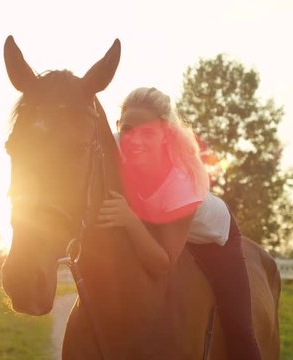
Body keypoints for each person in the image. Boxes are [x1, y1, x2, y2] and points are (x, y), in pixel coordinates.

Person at [97, 87, 261, 359]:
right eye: (127, 129)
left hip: (213, 240)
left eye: (148, 132)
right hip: (157, 222)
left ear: (166, 135)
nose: (135, 140)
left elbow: (163, 262)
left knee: (240, 329)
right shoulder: (118, 144)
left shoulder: (180, 183)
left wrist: (129, 219)